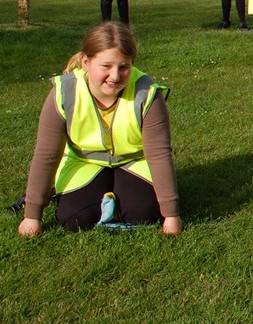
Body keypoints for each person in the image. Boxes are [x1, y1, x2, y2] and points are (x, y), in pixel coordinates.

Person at [18, 22, 181, 236]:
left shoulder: (148, 93)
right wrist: (32, 215)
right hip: (83, 161)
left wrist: (171, 214)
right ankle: (103, 196)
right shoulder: (63, 93)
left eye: (123, 67)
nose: (115, 76)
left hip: (134, 161)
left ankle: (126, 195)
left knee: (144, 213)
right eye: (106, 66)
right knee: (74, 218)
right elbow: (46, 155)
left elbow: (159, 154)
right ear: (86, 62)